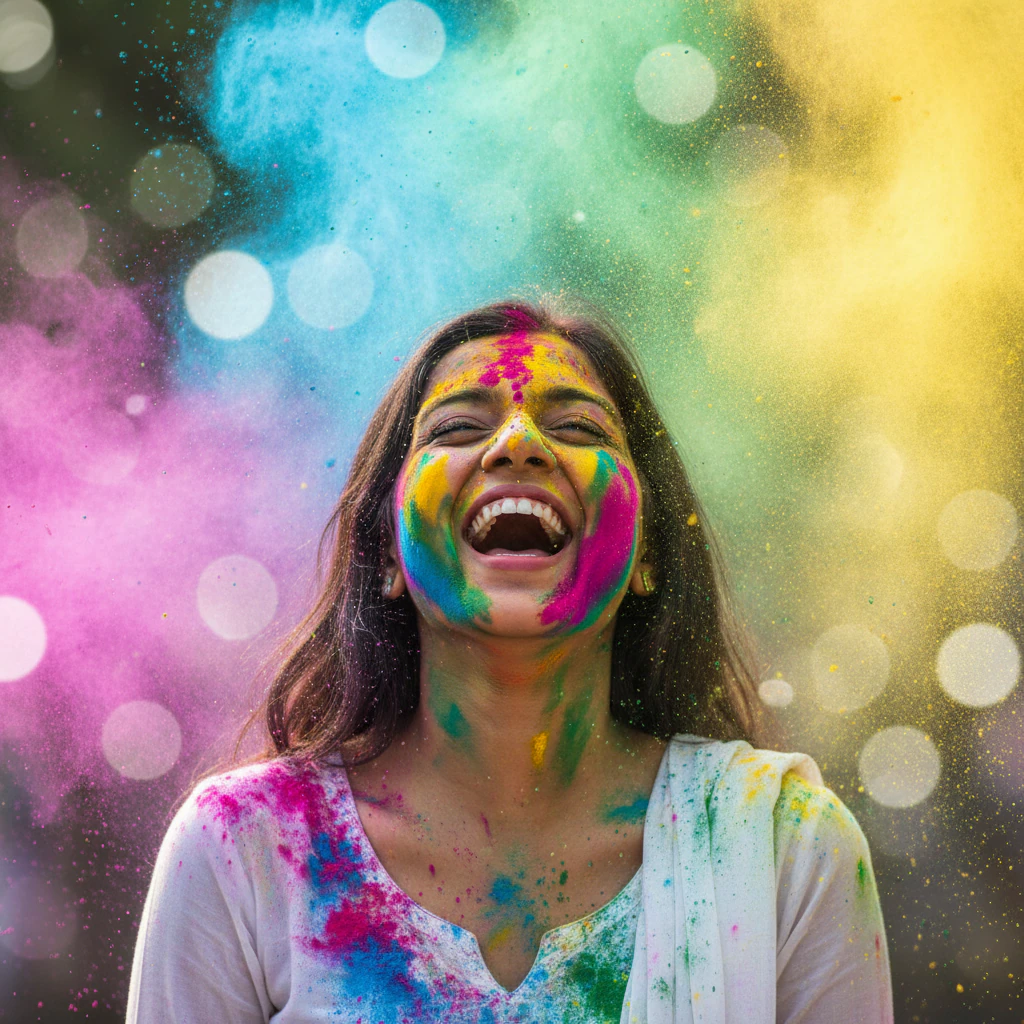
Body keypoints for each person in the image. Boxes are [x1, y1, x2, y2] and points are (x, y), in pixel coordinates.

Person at [126, 300, 894, 1023]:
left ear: (647, 553)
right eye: (458, 427)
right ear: (388, 551)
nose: (518, 442)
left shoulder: (785, 850)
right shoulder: (246, 849)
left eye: (580, 428)